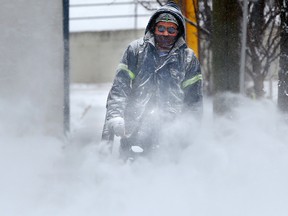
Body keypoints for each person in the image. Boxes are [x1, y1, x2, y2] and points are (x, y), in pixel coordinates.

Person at [101, 1, 203, 160]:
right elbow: (120, 88)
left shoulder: (188, 59)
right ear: (153, 28)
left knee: (165, 181)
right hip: (134, 132)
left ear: (178, 31)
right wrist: (115, 115)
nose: (165, 33)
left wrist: (188, 131)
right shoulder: (135, 51)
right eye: (161, 28)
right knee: (131, 178)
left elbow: (194, 102)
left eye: (171, 29)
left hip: (170, 138)